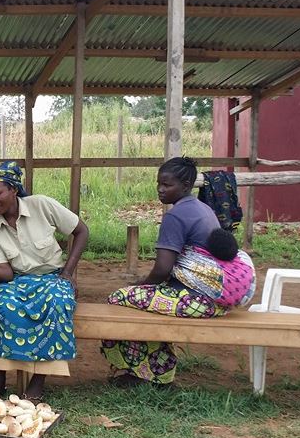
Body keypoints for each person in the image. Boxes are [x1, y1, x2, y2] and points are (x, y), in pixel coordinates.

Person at [101, 157, 256, 387]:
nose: (160, 189)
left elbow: (163, 270)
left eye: (167, 184)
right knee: (147, 300)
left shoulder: (175, 216)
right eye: (159, 183)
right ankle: (157, 372)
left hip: (198, 301)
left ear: (186, 185)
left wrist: (140, 285)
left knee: (119, 299)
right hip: (217, 299)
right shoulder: (204, 208)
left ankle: (144, 374)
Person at [0, 161, 89, 401]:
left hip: (51, 276)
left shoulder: (42, 205)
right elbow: (5, 274)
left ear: (14, 189)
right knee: (2, 306)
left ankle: (38, 380)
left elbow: (81, 231)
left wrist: (67, 273)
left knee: (57, 303)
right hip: (15, 280)